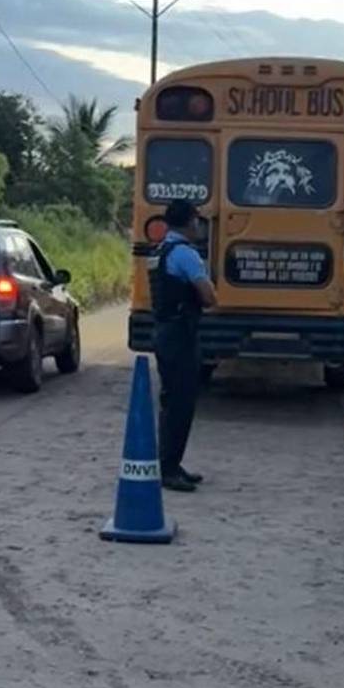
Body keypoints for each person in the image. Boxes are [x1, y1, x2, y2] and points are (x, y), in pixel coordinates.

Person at [151, 200, 217, 493]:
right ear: (190, 222)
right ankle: (168, 469)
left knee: (172, 401)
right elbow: (209, 296)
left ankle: (171, 464)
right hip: (180, 334)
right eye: (196, 220)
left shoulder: (161, 250)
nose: (199, 226)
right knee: (181, 402)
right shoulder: (186, 255)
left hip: (165, 330)